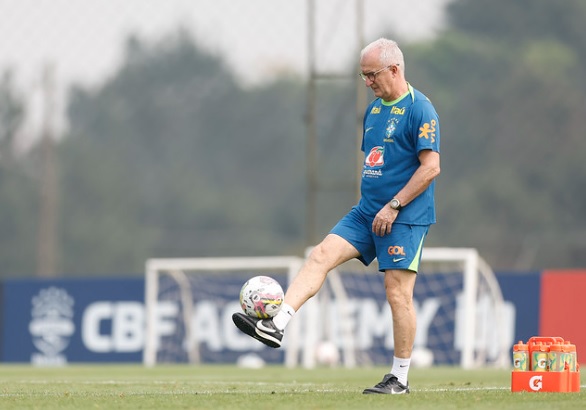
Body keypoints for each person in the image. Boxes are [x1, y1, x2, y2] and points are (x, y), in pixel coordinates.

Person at [232, 37, 441, 395]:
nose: (367, 82)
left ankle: (400, 378)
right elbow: (377, 162)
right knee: (321, 255)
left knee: (397, 293)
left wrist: (394, 205)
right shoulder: (373, 111)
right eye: (363, 75)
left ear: (394, 69)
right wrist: (376, 204)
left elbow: (431, 167)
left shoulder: (420, 109)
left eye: (372, 75)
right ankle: (276, 325)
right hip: (367, 212)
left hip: (404, 217)